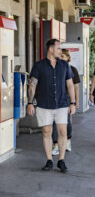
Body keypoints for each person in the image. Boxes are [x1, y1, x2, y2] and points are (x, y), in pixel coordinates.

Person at [27, 39, 76, 173]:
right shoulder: (39, 65)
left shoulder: (64, 65)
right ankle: (49, 160)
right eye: (59, 48)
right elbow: (33, 84)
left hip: (61, 103)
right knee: (47, 132)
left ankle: (61, 160)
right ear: (51, 49)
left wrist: (73, 102)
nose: (61, 51)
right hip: (44, 104)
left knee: (62, 132)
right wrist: (30, 102)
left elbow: (70, 84)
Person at [52, 49, 81, 155]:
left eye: (63, 56)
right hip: (55, 98)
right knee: (55, 122)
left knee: (67, 121)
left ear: (68, 58)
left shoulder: (73, 69)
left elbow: (76, 87)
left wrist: (76, 102)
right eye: (60, 56)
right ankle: (55, 144)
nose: (61, 58)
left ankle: (68, 141)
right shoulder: (54, 68)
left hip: (67, 99)